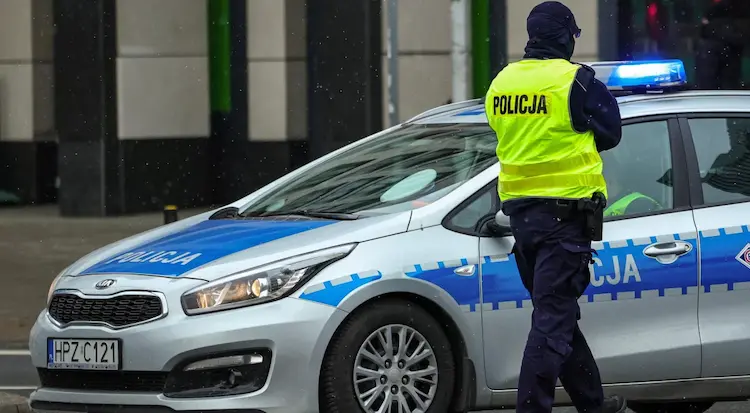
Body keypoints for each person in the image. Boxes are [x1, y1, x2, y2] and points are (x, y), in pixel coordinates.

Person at [484, 2, 626, 412]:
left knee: (558, 317)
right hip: (564, 222)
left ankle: (593, 405)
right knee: (551, 325)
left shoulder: (502, 82)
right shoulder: (577, 81)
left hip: (522, 223)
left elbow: (506, 133)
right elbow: (611, 132)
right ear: (565, 37)